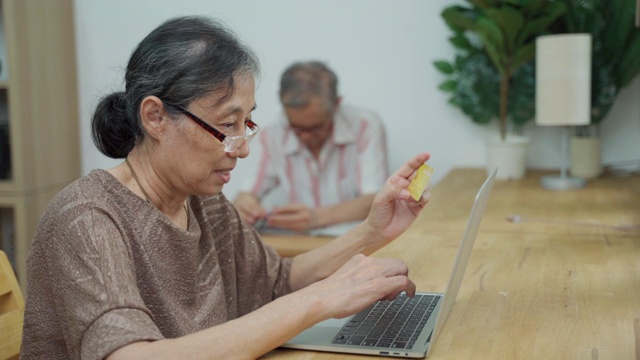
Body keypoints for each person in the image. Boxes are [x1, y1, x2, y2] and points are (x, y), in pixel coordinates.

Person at [20, 15, 431, 360]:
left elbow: (276, 281)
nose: (244, 148)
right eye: (226, 125)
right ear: (155, 118)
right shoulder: (88, 218)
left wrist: (373, 232)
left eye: (247, 122)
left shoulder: (201, 200)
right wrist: (320, 300)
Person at [233, 61, 388, 232]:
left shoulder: (365, 126)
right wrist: (245, 206)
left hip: (357, 240)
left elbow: (376, 199)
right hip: (302, 244)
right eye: (296, 128)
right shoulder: (273, 135)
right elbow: (247, 194)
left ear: (337, 104)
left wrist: (317, 218)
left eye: (316, 128)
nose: (306, 136)